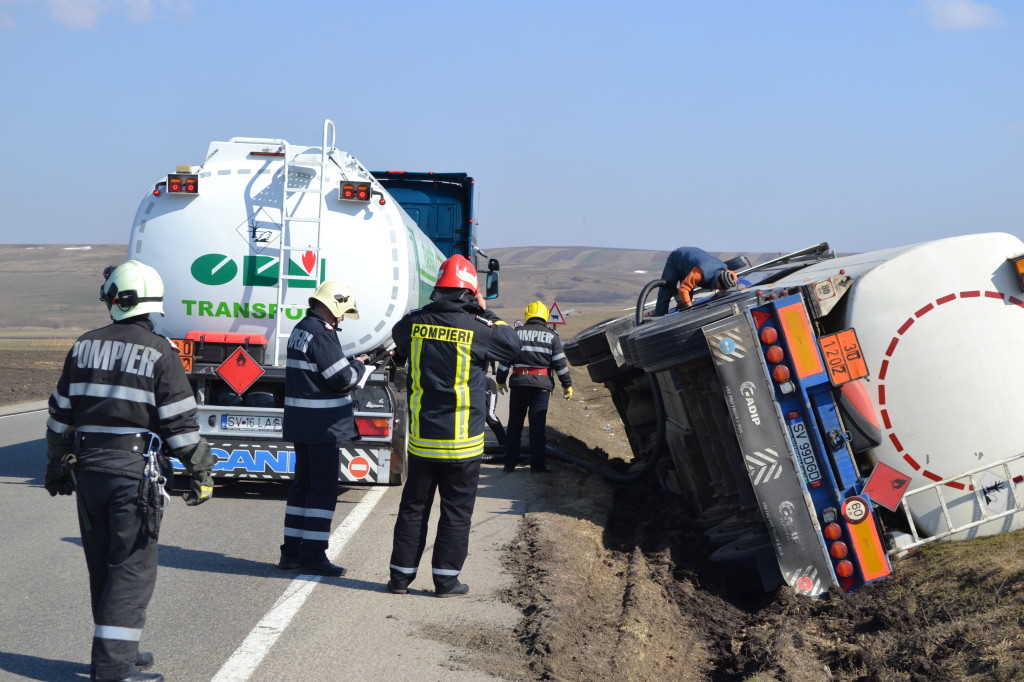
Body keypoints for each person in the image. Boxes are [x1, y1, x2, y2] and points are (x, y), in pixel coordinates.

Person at [45, 260, 216, 682]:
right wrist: (201, 472)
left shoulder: (83, 345)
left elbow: (59, 414)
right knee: (132, 568)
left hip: (89, 470)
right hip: (135, 474)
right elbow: (179, 424)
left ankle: (121, 651)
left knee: (103, 563)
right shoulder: (161, 352)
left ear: (114, 300)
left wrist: (56, 463)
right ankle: (113, 669)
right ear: (152, 304)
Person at [387, 254, 521, 597]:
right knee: (456, 513)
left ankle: (400, 579)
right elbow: (513, 346)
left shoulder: (413, 323)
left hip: (422, 442)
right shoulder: (480, 329)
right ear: (469, 292)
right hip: (462, 444)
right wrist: (486, 311)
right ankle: (446, 581)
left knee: (413, 509)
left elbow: (398, 339)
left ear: (439, 288)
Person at [279, 279, 367, 577]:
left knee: (302, 487)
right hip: (323, 427)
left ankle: (291, 551)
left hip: (303, 424)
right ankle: (313, 556)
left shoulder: (301, 328)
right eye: (343, 312)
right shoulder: (321, 333)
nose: (342, 318)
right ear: (334, 306)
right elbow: (341, 378)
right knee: (323, 490)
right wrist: (359, 366)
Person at [496, 301, 573, 473]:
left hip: (519, 384)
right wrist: (567, 385)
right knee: (537, 426)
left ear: (527, 314)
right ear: (545, 316)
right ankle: (537, 465)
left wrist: (500, 380)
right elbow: (560, 364)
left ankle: (509, 464)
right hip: (542, 386)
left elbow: (504, 362)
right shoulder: (552, 336)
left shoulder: (516, 334)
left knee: (515, 425)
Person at [653, 246, 739, 316]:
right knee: (666, 291)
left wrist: (734, 281)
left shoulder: (724, 269)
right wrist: (692, 311)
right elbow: (683, 289)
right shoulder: (700, 272)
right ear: (717, 280)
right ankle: (659, 318)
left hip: (691, 262)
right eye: (721, 287)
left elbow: (732, 274)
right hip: (677, 258)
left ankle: (680, 313)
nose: (721, 289)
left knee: (686, 299)